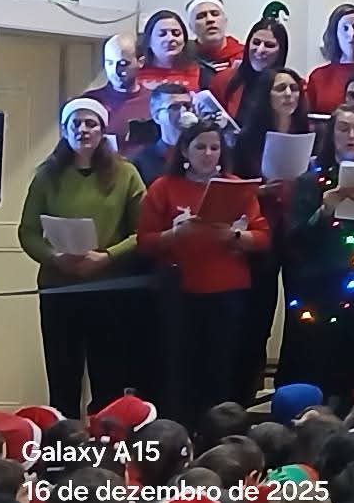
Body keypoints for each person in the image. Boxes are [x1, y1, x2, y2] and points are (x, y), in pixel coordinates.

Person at [20, 97, 150, 417]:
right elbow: (28, 232)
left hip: (108, 287)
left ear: (102, 131)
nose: (83, 129)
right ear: (64, 130)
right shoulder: (47, 176)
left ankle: (106, 441)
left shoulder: (126, 174)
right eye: (75, 124)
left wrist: (107, 257)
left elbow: (144, 231)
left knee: (108, 376)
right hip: (58, 287)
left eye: (91, 123)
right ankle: (63, 440)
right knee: (62, 375)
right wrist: (54, 257)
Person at [139, 116, 271, 420]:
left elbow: (263, 237)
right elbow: (145, 242)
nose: (208, 154)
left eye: (214, 147)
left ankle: (219, 431)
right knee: (180, 369)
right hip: (180, 290)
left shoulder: (237, 187)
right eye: (201, 147)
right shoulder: (164, 187)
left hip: (227, 289)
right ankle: (180, 431)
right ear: (185, 150)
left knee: (221, 368)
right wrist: (176, 234)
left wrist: (235, 236)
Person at [276, 104, 354, 405]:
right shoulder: (308, 181)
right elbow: (295, 239)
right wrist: (325, 210)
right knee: (317, 373)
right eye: (343, 128)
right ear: (332, 135)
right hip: (319, 292)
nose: (351, 135)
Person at [228, 67, 309, 401]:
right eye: (280, 89)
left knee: (300, 314)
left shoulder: (310, 132)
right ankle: (245, 392)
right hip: (260, 231)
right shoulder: (247, 139)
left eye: (294, 88)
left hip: (298, 230)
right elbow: (232, 187)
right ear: (266, 95)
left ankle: (291, 392)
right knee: (257, 315)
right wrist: (260, 190)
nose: (289, 94)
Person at [83, 34, 150, 152]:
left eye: (123, 64)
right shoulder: (90, 102)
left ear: (140, 62)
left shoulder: (155, 101)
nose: (114, 71)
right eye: (109, 63)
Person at [215, 18, 289, 118]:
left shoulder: (291, 88)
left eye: (269, 45)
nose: (260, 50)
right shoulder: (224, 79)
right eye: (256, 42)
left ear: (281, 51)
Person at [131, 82, 198, 185]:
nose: (184, 111)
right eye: (175, 107)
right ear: (157, 116)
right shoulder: (142, 161)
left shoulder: (205, 153)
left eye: (187, 106)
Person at [138, 9, 211, 93]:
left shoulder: (202, 73)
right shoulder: (134, 72)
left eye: (176, 33)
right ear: (149, 41)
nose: (170, 38)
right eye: (162, 34)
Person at [186, 0, 242, 73]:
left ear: (225, 20)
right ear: (191, 27)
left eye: (215, 14)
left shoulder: (247, 56)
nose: (210, 19)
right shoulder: (183, 60)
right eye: (201, 16)